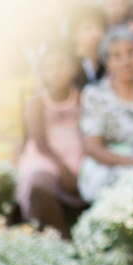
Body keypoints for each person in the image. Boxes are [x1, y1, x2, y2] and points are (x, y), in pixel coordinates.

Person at [15, 40, 85, 237]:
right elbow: (39, 142)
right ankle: (60, 233)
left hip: (78, 151)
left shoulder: (82, 98)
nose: (56, 72)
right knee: (40, 183)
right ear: (43, 73)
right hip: (46, 154)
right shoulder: (37, 102)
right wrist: (62, 167)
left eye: (61, 65)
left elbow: (88, 132)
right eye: (49, 68)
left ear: (72, 68)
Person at [77, 28, 133, 202]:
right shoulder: (95, 95)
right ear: (107, 63)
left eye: (131, 53)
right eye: (117, 56)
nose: (126, 61)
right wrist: (131, 162)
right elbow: (93, 147)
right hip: (109, 164)